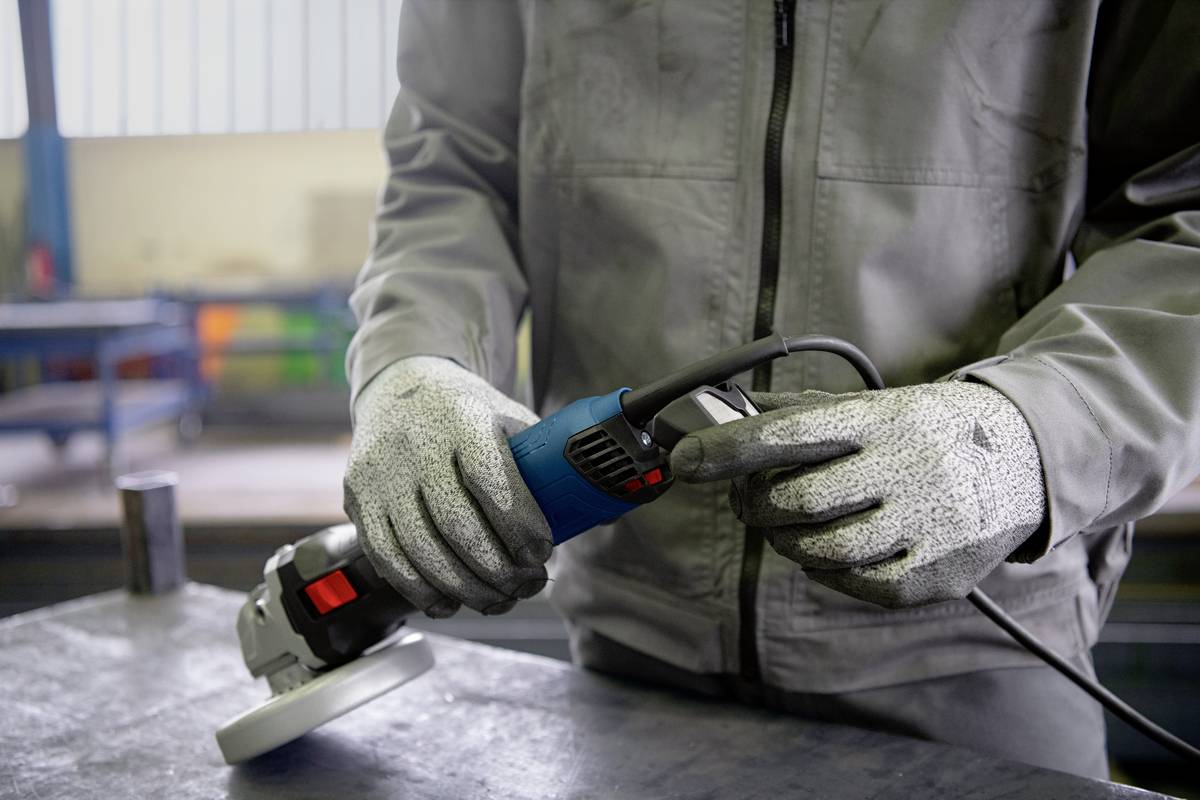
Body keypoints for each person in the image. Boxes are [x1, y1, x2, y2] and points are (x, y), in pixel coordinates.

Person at [342, 1, 1200, 780]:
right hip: (631, 641)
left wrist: (1030, 431)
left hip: (979, 639)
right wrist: (416, 361)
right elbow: (454, 165)